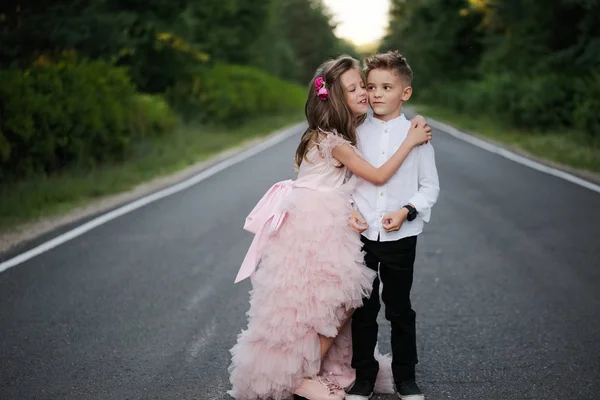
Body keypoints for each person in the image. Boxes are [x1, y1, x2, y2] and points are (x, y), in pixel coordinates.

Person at [227, 55, 432, 400]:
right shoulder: (335, 142)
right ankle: (303, 375)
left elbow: (340, 181)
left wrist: (352, 207)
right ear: (335, 98)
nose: (364, 93)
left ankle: (310, 369)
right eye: (353, 89)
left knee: (327, 301)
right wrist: (409, 141)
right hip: (317, 222)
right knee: (335, 299)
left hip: (320, 214)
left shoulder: (330, 134)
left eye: (362, 86)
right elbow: (379, 176)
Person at [346, 51, 440, 400]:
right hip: (362, 234)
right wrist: (349, 210)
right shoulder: (355, 132)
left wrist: (407, 210)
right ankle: (364, 378)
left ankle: (405, 377)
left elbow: (430, 186)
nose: (377, 94)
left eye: (387, 87)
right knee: (363, 309)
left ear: (405, 93)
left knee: (399, 307)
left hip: (401, 235)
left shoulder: (417, 134)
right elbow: (345, 182)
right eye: (371, 87)